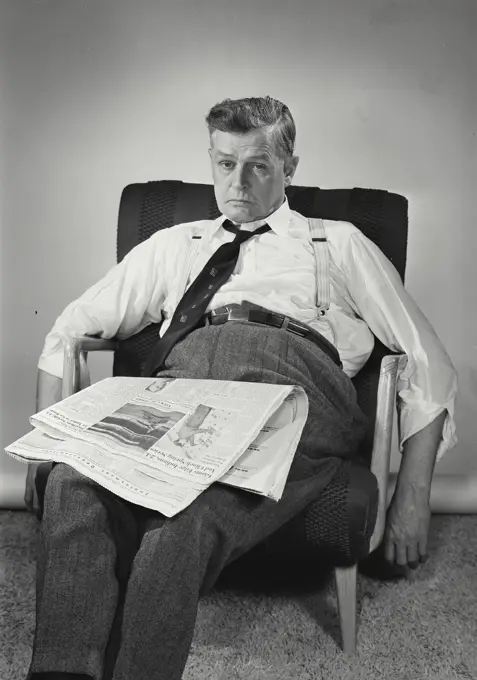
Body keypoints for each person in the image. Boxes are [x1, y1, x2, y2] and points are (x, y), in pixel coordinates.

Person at [24, 96, 457, 680]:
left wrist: (414, 494)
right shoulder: (179, 245)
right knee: (75, 483)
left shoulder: (336, 242)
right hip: (183, 391)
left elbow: (426, 360)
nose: (238, 182)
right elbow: (69, 330)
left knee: (189, 514)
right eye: (225, 164)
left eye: (258, 165)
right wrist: (52, 440)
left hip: (291, 386)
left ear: (289, 167)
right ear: (211, 158)